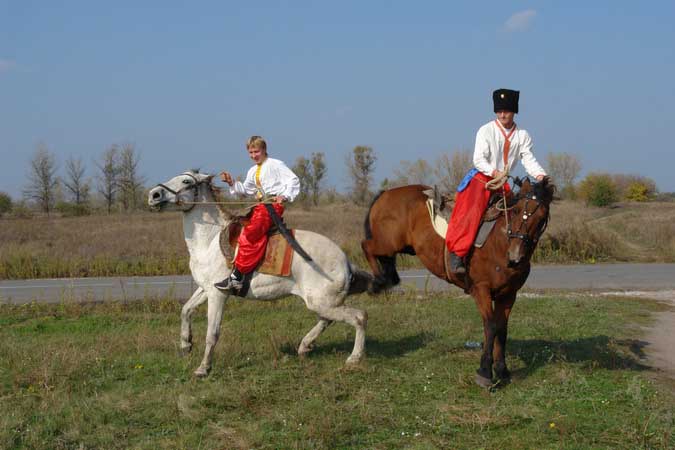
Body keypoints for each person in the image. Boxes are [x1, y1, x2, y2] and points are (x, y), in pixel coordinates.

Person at [446, 89, 546, 274]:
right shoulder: (486, 130)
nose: (502, 115)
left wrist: (540, 175)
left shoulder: (522, 135)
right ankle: (457, 254)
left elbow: (528, 158)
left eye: (506, 111)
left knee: (517, 213)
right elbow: (479, 159)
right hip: (482, 179)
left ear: (514, 111)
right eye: (499, 111)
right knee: (471, 212)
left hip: (503, 183)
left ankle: (508, 254)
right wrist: (494, 172)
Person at [215, 135, 300, 291]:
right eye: (251, 152)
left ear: (264, 150)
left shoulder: (276, 164)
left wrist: (285, 196)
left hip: (273, 207)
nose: (254, 155)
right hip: (260, 207)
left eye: (256, 152)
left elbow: (293, 180)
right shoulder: (253, 170)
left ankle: (237, 277)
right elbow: (246, 190)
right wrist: (231, 182)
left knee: (250, 233)